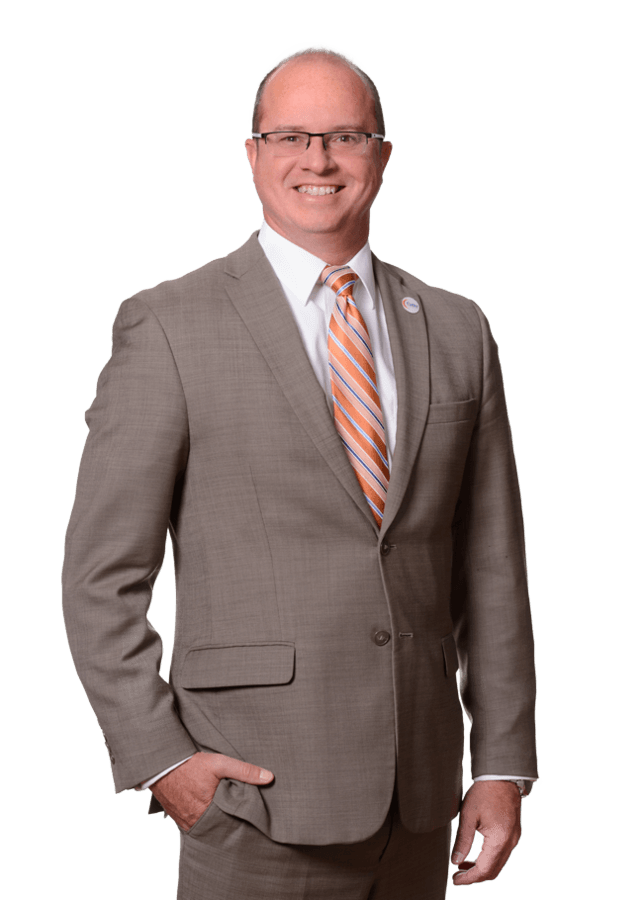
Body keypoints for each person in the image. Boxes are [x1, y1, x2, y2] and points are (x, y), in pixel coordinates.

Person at [62, 43, 539, 899]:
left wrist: (500, 764)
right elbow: (100, 578)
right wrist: (164, 760)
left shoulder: (457, 328)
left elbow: (491, 569)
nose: (317, 160)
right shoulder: (168, 326)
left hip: (420, 800)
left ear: (381, 156)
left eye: (344, 136)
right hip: (254, 797)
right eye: (289, 136)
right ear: (252, 154)